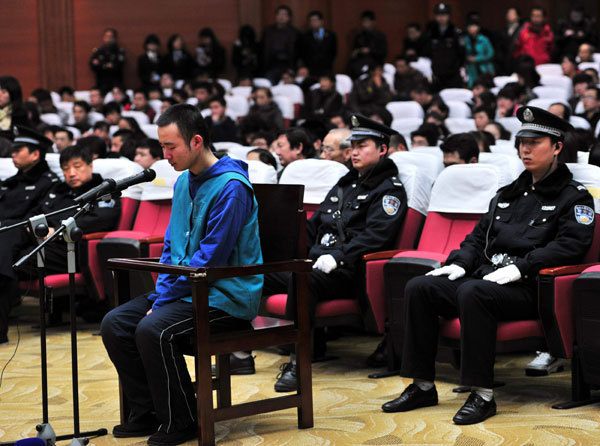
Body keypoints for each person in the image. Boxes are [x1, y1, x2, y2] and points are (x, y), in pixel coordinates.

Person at [382, 106, 595, 425]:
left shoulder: (574, 197)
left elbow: (571, 246)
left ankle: (481, 394)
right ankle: (422, 385)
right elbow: (477, 237)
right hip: (488, 280)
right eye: (522, 141)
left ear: (557, 147)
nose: (525, 148)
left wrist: (523, 266)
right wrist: (457, 263)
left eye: (535, 142)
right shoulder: (507, 193)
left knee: (473, 292)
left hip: (529, 287)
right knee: (421, 286)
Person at [101, 103, 263, 445]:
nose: (165, 155)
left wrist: (161, 303)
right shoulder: (183, 183)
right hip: (188, 289)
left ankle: (182, 420)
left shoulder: (231, 187)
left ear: (196, 142)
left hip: (225, 295)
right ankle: (147, 411)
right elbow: (172, 250)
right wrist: (161, 296)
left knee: (152, 328)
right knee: (115, 323)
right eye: (161, 146)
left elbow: (210, 259)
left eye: (170, 146)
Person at [266, 115, 408, 391]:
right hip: (317, 264)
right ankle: (238, 352)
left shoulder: (389, 190)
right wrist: (285, 253)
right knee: (256, 272)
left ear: (382, 149)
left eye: (361, 145)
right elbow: (313, 225)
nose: (353, 151)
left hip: (349, 271)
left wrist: (339, 256)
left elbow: (376, 237)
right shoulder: (346, 183)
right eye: (351, 145)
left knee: (302, 280)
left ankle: (298, 363)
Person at [1, 141, 119, 345]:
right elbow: (38, 213)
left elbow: (102, 219)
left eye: (77, 166)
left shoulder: (103, 190)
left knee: (6, 262)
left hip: (70, 251)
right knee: (7, 252)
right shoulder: (59, 190)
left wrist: (58, 230)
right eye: (66, 169)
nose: (71, 173)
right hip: (39, 244)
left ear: (90, 166)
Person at [426, 3, 464, 90]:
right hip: (437, 73)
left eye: (443, 15)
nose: (441, 18)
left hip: (453, 74)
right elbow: (428, 52)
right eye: (438, 15)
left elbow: (462, 53)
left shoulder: (455, 33)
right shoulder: (431, 33)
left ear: (448, 16)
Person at [260, 5, 301, 84]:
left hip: (288, 66)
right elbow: (262, 49)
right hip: (271, 66)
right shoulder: (268, 31)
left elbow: (299, 51)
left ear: (289, 17)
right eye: (279, 14)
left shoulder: (295, 32)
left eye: (285, 14)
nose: (281, 17)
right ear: (276, 16)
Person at [348, 10, 387, 79]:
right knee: (353, 68)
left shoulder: (380, 36)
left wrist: (370, 50)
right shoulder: (359, 36)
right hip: (360, 61)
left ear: (373, 22)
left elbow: (383, 52)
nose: (365, 24)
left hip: (375, 62)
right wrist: (358, 51)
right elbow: (355, 50)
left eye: (367, 21)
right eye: (363, 21)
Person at [300, 10, 337, 77]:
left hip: (326, 67)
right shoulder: (305, 36)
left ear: (321, 21)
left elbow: (333, 52)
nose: (313, 22)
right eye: (311, 21)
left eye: (315, 20)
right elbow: (303, 52)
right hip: (311, 68)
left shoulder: (331, 35)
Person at [463, 18, 495, 88]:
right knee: (473, 87)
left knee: (486, 87)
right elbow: (462, 53)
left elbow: (491, 54)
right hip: (471, 69)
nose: (471, 28)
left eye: (473, 26)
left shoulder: (484, 39)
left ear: (478, 27)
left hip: (484, 67)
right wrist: (467, 58)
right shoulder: (465, 40)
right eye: (469, 26)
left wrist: (477, 59)